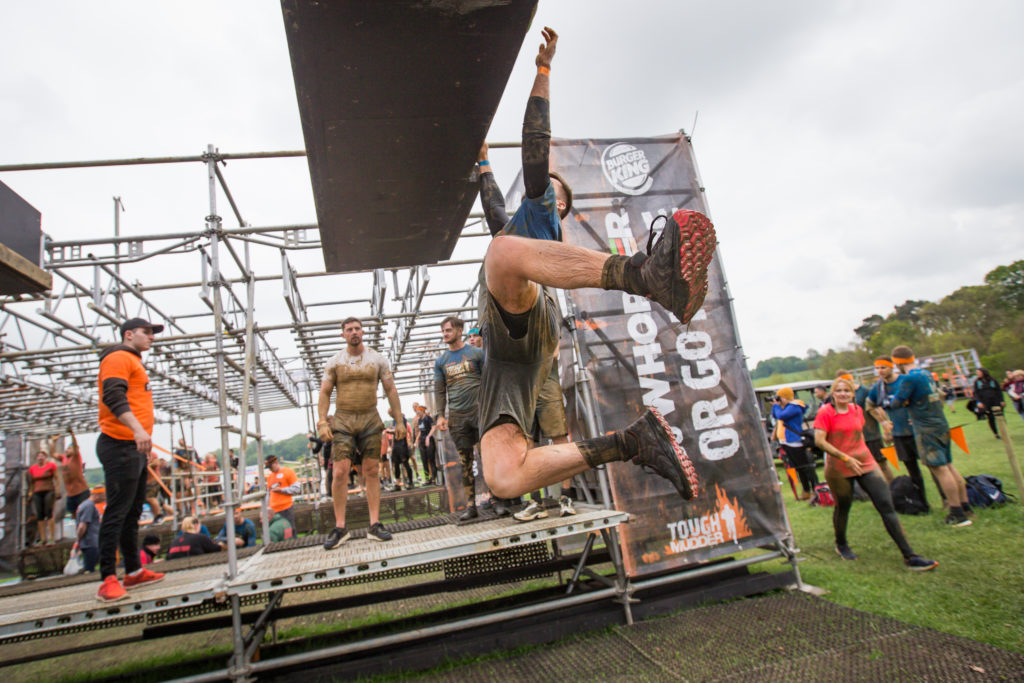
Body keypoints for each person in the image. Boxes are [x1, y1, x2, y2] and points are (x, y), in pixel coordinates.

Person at [470, 27, 709, 503]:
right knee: (502, 478)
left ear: (560, 204)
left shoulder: (541, 209)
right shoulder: (517, 225)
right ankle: (632, 442)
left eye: (557, 190)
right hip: (510, 360)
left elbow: (534, 145)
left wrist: (543, 70)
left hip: (522, 321)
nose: (546, 189)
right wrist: (482, 163)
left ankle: (646, 275)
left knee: (500, 252)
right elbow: (494, 209)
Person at [813, 377, 938, 570]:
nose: (842, 394)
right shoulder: (825, 412)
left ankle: (910, 555)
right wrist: (845, 458)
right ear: (833, 393)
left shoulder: (857, 410)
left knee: (886, 504)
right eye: (838, 391)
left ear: (852, 394)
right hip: (839, 467)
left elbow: (857, 435)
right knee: (843, 506)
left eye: (846, 390)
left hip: (865, 463)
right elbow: (820, 441)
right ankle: (841, 543)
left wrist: (881, 435)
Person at [317, 317, 405, 549]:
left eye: (357, 328)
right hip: (344, 418)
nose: (354, 332)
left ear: (363, 332)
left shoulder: (377, 359)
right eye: (349, 329)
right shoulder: (335, 361)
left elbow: (390, 389)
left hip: (369, 417)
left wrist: (399, 421)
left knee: (372, 470)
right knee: (339, 472)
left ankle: (375, 525)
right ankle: (340, 527)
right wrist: (322, 423)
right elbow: (325, 392)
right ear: (343, 335)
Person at [95, 317, 167, 602]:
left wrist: (144, 442)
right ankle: (107, 579)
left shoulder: (132, 360)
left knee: (131, 512)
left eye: (152, 333)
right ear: (128, 335)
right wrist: (137, 431)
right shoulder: (117, 358)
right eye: (146, 332)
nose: (151, 337)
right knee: (116, 512)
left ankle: (134, 571)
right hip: (119, 444)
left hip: (132, 447)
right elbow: (113, 397)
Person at [889, 346, 972, 527]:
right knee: (949, 465)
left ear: (896, 362)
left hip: (925, 427)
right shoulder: (926, 373)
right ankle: (965, 506)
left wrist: (902, 400)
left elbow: (895, 402)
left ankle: (957, 513)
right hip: (940, 423)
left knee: (940, 469)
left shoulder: (909, 378)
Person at [434, 316, 486, 520]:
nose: (445, 334)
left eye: (448, 330)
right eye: (443, 331)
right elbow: (439, 390)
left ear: (458, 330)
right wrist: (440, 415)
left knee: (487, 457)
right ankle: (471, 506)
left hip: (479, 413)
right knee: (465, 462)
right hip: (457, 417)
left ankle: (499, 500)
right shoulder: (441, 362)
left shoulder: (476, 354)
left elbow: (488, 380)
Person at [515, 352, 578, 520]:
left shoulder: (546, 324)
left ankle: (566, 496)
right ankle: (536, 502)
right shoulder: (510, 328)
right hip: (523, 390)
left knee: (560, 441)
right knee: (526, 445)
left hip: (546, 385)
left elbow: (555, 352)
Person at [866, 356, 932, 511]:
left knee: (933, 466)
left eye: (883, 367)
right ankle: (922, 502)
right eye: (877, 368)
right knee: (913, 471)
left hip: (918, 431)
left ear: (892, 367)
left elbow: (933, 396)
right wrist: (883, 422)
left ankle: (946, 500)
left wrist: (922, 416)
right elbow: (870, 405)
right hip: (899, 434)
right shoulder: (879, 387)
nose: (880, 371)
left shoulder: (906, 381)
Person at [841, 369, 894, 483]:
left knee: (881, 464)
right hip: (856, 438)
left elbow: (878, 410)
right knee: (866, 467)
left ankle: (892, 487)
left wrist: (886, 429)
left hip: (871, 435)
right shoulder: (844, 397)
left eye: (847, 381)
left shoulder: (864, 391)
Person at [771, 387, 818, 499]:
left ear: (785, 397)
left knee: (805, 467)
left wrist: (777, 406)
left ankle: (815, 490)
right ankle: (806, 491)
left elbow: (781, 416)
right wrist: (776, 405)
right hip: (787, 442)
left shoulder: (794, 406)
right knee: (798, 468)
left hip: (795, 441)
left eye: (780, 397)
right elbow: (775, 415)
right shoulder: (786, 407)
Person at [28, 449, 58, 545]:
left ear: (45, 458)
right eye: (39, 456)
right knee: (40, 515)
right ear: (36, 458)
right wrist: (30, 493)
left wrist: (57, 490)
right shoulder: (33, 468)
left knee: (48, 512)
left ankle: (52, 538)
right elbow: (31, 482)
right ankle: (42, 538)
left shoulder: (51, 466)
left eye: (42, 456)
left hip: (49, 490)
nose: (40, 458)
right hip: (37, 492)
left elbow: (57, 478)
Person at [57, 433, 90, 520]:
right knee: (74, 516)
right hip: (70, 494)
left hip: (81, 492)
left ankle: (85, 531)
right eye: (66, 449)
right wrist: (53, 441)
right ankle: (78, 530)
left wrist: (72, 435)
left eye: (69, 448)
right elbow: (53, 454)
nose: (67, 450)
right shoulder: (64, 458)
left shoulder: (76, 457)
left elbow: (75, 447)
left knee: (83, 515)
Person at [264, 455, 299, 531]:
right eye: (269, 468)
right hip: (274, 511)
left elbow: (296, 489)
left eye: (271, 467)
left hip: (286, 508)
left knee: (289, 530)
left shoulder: (288, 472)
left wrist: (281, 490)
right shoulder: (270, 477)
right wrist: (267, 507)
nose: (270, 470)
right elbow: (268, 494)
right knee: (277, 531)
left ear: (276, 463)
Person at [74, 487, 105, 573]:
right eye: (103, 496)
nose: (104, 499)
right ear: (96, 495)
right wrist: (78, 540)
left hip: (92, 541)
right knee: (89, 570)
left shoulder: (88, 505)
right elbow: (82, 525)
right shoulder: (88, 506)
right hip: (89, 542)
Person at [972, 368, 1006, 438]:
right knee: (991, 417)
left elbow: (998, 390)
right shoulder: (977, 382)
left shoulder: (992, 380)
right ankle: (996, 433)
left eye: (979, 372)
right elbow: (976, 393)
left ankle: (1004, 431)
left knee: (1000, 416)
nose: (977, 374)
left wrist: (1002, 400)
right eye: (977, 373)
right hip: (985, 402)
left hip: (996, 400)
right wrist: (979, 402)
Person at [387, 410, 414, 490]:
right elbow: (393, 430)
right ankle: (398, 483)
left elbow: (402, 430)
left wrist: (390, 431)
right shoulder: (394, 421)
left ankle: (411, 482)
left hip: (403, 445)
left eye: (391, 414)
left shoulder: (402, 419)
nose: (390, 416)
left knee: (405, 463)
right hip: (396, 445)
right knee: (396, 464)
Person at [415, 404, 438, 485]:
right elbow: (420, 431)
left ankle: (434, 478)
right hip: (422, 441)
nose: (417, 412)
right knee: (424, 460)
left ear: (422, 410)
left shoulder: (428, 418)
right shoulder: (419, 420)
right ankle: (427, 479)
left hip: (429, 441)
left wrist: (428, 437)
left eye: (418, 411)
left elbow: (434, 427)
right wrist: (417, 440)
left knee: (431, 460)